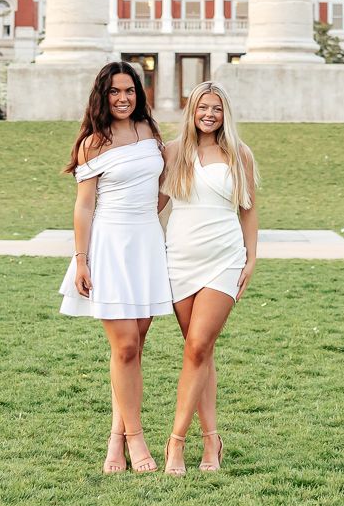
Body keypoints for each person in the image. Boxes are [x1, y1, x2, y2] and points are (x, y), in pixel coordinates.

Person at [58, 62, 175, 473]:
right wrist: (81, 260)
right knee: (124, 347)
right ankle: (135, 438)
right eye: (114, 92)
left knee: (134, 350)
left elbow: (162, 191)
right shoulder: (94, 142)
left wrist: (147, 218)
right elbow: (84, 205)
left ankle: (115, 438)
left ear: (138, 94)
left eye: (129, 90)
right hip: (108, 246)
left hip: (146, 245)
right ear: (102, 96)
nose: (123, 98)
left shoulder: (150, 134)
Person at [157, 81, 257, 475]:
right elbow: (153, 204)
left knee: (198, 347)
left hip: (224, 259)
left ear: (224, 113)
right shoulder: (173, 152)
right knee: (201, 352)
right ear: (192, 111)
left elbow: (248, 209)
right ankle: (212, 441)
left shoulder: (239, 154)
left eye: (216, 108)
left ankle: (176, 442)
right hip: (179, 259)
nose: (209, 114)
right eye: (202, 107)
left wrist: (252, 257)